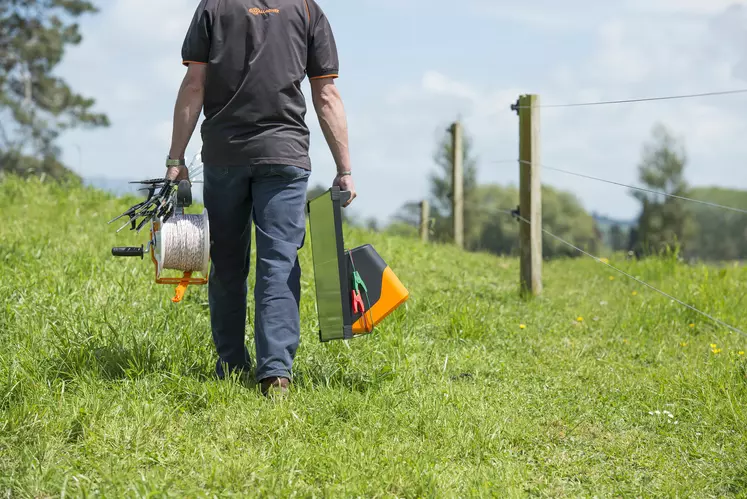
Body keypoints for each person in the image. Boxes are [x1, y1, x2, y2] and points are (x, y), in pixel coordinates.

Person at [164, 0, 355, 396]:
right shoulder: (306, 9)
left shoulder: (213, 7)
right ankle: (275, 375)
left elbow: (194, 85)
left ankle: (231, 366)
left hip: (225, 156)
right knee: (279, 263)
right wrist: (345, 169)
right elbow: (326, 94)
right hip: (285, 157)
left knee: (228, 263)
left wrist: (176, 158)